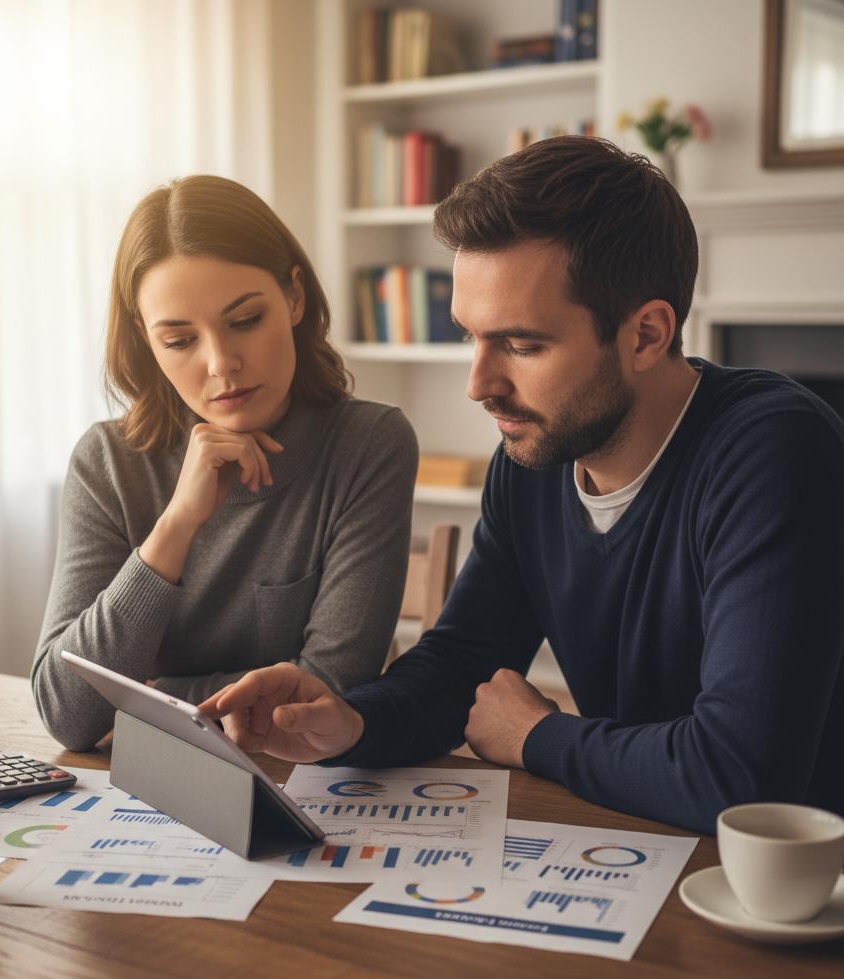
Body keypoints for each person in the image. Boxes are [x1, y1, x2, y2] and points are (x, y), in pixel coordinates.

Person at [200, 136, 844, 835]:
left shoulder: (774, 450)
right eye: (472, 338)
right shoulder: (534, 461)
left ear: (647, 334)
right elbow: (463, 663)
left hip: (794, 897)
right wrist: (349, 721)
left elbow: (740, 777)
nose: (479, 385)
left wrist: (538, 736)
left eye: (523, 345)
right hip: (644, 843)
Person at [33, 175, 418, 751]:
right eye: (180, 340)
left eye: (243, 321)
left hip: (305, 786)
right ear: (147, 338)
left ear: (293, 296)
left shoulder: (369, 444)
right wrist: (177, 523)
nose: (221, 364)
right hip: (146, 795)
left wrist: (150, 693)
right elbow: (68, 713)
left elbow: (329, 692)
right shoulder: (107, 461)